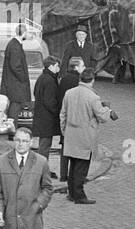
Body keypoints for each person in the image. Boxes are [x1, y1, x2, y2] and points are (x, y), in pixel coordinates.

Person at [58, 68, 117, 205]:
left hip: (71, 134)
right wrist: (109, 110)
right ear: (92, 80)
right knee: (81, 167)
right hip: (85, 136)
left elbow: (63, 114)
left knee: (72, 166)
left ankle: (71, 193)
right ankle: (79, 195)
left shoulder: (69, 93)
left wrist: (64, 131)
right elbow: (102, 116)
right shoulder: (93, 97)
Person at [57, 57, 85, 183]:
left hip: (66, 115)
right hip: (75, 117)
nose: (83, 68)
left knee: (64, 147)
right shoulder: (77, 81)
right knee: (75, 149)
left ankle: (63, 175)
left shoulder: (64, 78)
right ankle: (75, 176)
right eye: (82, 66)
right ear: (75, 67)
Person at [32, 57, 62, 175]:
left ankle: (42, 170)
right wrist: (58, 112)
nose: (58, 68)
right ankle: (41, 171)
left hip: (41, 117)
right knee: (45, 146)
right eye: (56, 66)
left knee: (43, 145)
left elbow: (36, 93)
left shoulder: (41, 78)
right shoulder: (49, 80)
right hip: (47, 119)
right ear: (51, 66)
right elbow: (50, 101)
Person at [1, 33, 32, 125]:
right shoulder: (15, 46)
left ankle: (12, 129)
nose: (29, 35)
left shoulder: (13, 44)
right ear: (23, 33)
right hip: (16, 84)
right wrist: (24, 79)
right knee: (15, 106)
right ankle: (12, 130)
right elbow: (15, 66)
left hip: (13, 83)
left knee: (14, 106)